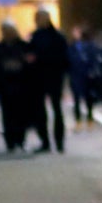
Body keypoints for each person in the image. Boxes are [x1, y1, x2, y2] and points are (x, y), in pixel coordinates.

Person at [28, 8, 68, 153]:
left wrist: (38, 58)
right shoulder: (36, 36)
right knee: (41, 111)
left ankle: (58, 141)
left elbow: (62, 57)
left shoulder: (56, 37)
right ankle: (45, 141)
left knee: (56, 110)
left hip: (53, 76)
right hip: (41, 78)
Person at [0, 21, 41, 152]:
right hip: (6, 86)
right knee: (7, 115)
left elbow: (30, 63)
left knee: (21, 114)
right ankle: (10, 141)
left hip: (21, 86)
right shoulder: (0, 47)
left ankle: (20, 140)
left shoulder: (23, 46)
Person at [68, 26, 99, 126]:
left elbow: (93, 58)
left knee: (88, 98)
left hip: (86, 75)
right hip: (76, 75)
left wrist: (92, 71)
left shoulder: (89, 45)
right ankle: (78, 120)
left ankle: (90, 118)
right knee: (76, 99)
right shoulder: (72, 46)